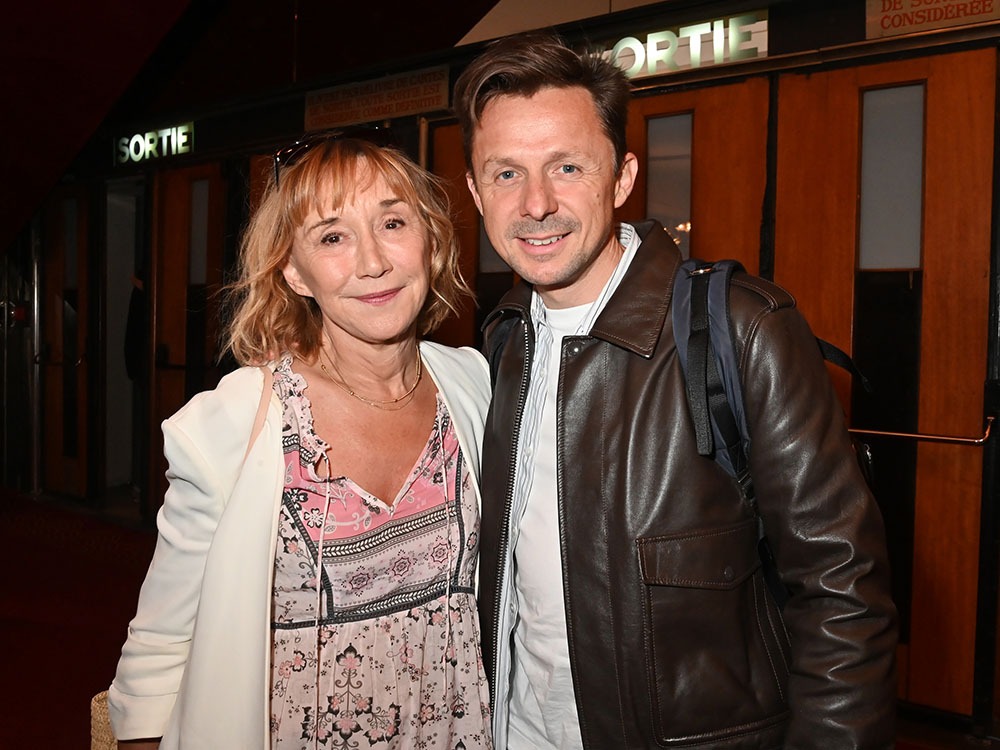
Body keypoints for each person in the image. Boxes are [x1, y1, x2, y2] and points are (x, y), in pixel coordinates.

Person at [453, 30, 898, 749]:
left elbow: (842, 591)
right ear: (476, 191)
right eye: (506, 173)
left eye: (567, 167)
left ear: (622, 178)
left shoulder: (743, 328)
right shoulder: (503, 340)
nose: (536, 203)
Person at [108, 136, 494, 750]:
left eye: (393, 223)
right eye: (333, 237)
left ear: (430, 239)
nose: (373, 262)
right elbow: (161, 642)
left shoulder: (472, 384)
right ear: (294, 270)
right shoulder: (239, 419)